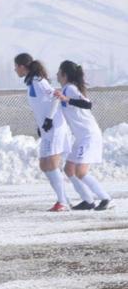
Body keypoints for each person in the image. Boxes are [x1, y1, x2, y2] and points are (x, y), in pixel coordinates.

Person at [14, 53, 72, 212]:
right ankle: (64, 198)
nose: (14, 70)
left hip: (54, 127)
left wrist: (48, 119)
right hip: (47, 128)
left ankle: (62, 202)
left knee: (51, 163)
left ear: (21, 66)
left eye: (15, 66)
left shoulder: (38, 81)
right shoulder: (31, 81)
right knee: (44, 164)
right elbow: (41, 104)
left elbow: (56, 97)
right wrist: (41, 124)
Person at [54, 61, 113, 211]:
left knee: (80, 171)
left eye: (58, 72)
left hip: (89, 135)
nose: (56, 75)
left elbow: (87, 104)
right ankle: (88, 201)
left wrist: (67, 99)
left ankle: (106, 198)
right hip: (81, 137)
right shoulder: (65, 90)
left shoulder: (70, 89)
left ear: (64, 75)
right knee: (69, 169)